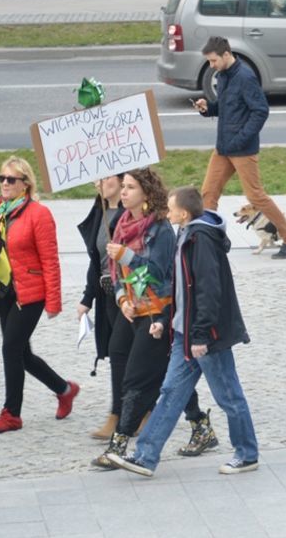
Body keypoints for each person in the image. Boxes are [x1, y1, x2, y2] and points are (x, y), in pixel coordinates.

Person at [110, 186, 260, 477]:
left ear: (184, 212)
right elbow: (182, 290)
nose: (166, 209)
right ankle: (145, 455)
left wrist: (202, 335)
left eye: (170, 205)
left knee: (228, 395)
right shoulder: (185, 235)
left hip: (205, 336)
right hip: (183, 332)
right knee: (170, 393)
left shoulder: (200, 240)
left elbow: (207, 291)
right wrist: (167, 319)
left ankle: (247, 453)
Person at [93, 168, 212, 469]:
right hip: (131, 310)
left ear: (146, 193)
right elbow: (116, 270)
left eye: (130, 187)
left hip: (158, 311)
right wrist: (121, 298)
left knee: (137, 377)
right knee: (148, 371)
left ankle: (118, 445)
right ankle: (200, 425)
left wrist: (127, 256)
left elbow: (160, 272)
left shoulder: (159, 228)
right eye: (123, 186)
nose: (123, 191)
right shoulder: (120, 223)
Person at [0, 156, 79, 433]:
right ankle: (64, 389)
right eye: (2, 178)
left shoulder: (38, 214)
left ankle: (12, 414)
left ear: (26, 184)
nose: (5, 184)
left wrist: (54, 301)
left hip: (30, 293)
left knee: (10, 348)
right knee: (22, 353)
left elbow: (50, 260)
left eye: (11, 179)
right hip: (3, 291)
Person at [194, 36, 286, 259]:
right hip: (223, 147)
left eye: (213, 61)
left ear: (226, 54)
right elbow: (226, 108)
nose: (211, 66)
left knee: (255, 197)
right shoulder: (222, 76)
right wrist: (208, 108)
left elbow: (260, 111)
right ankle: (207, 240)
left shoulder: (245, 77)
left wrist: (242, 139)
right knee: (208, 193)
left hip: (242, 149)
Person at [75, 174, 125, 439]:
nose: (98, 184)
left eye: (103, 178)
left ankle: (118, 415)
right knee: (122, 355)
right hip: (108, 295)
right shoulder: (101, 211)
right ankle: (136, 411)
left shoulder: (131, 215)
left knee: (123, 354)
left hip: (130, 295)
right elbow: (96, 261)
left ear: (120, 180)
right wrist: (87, 298)